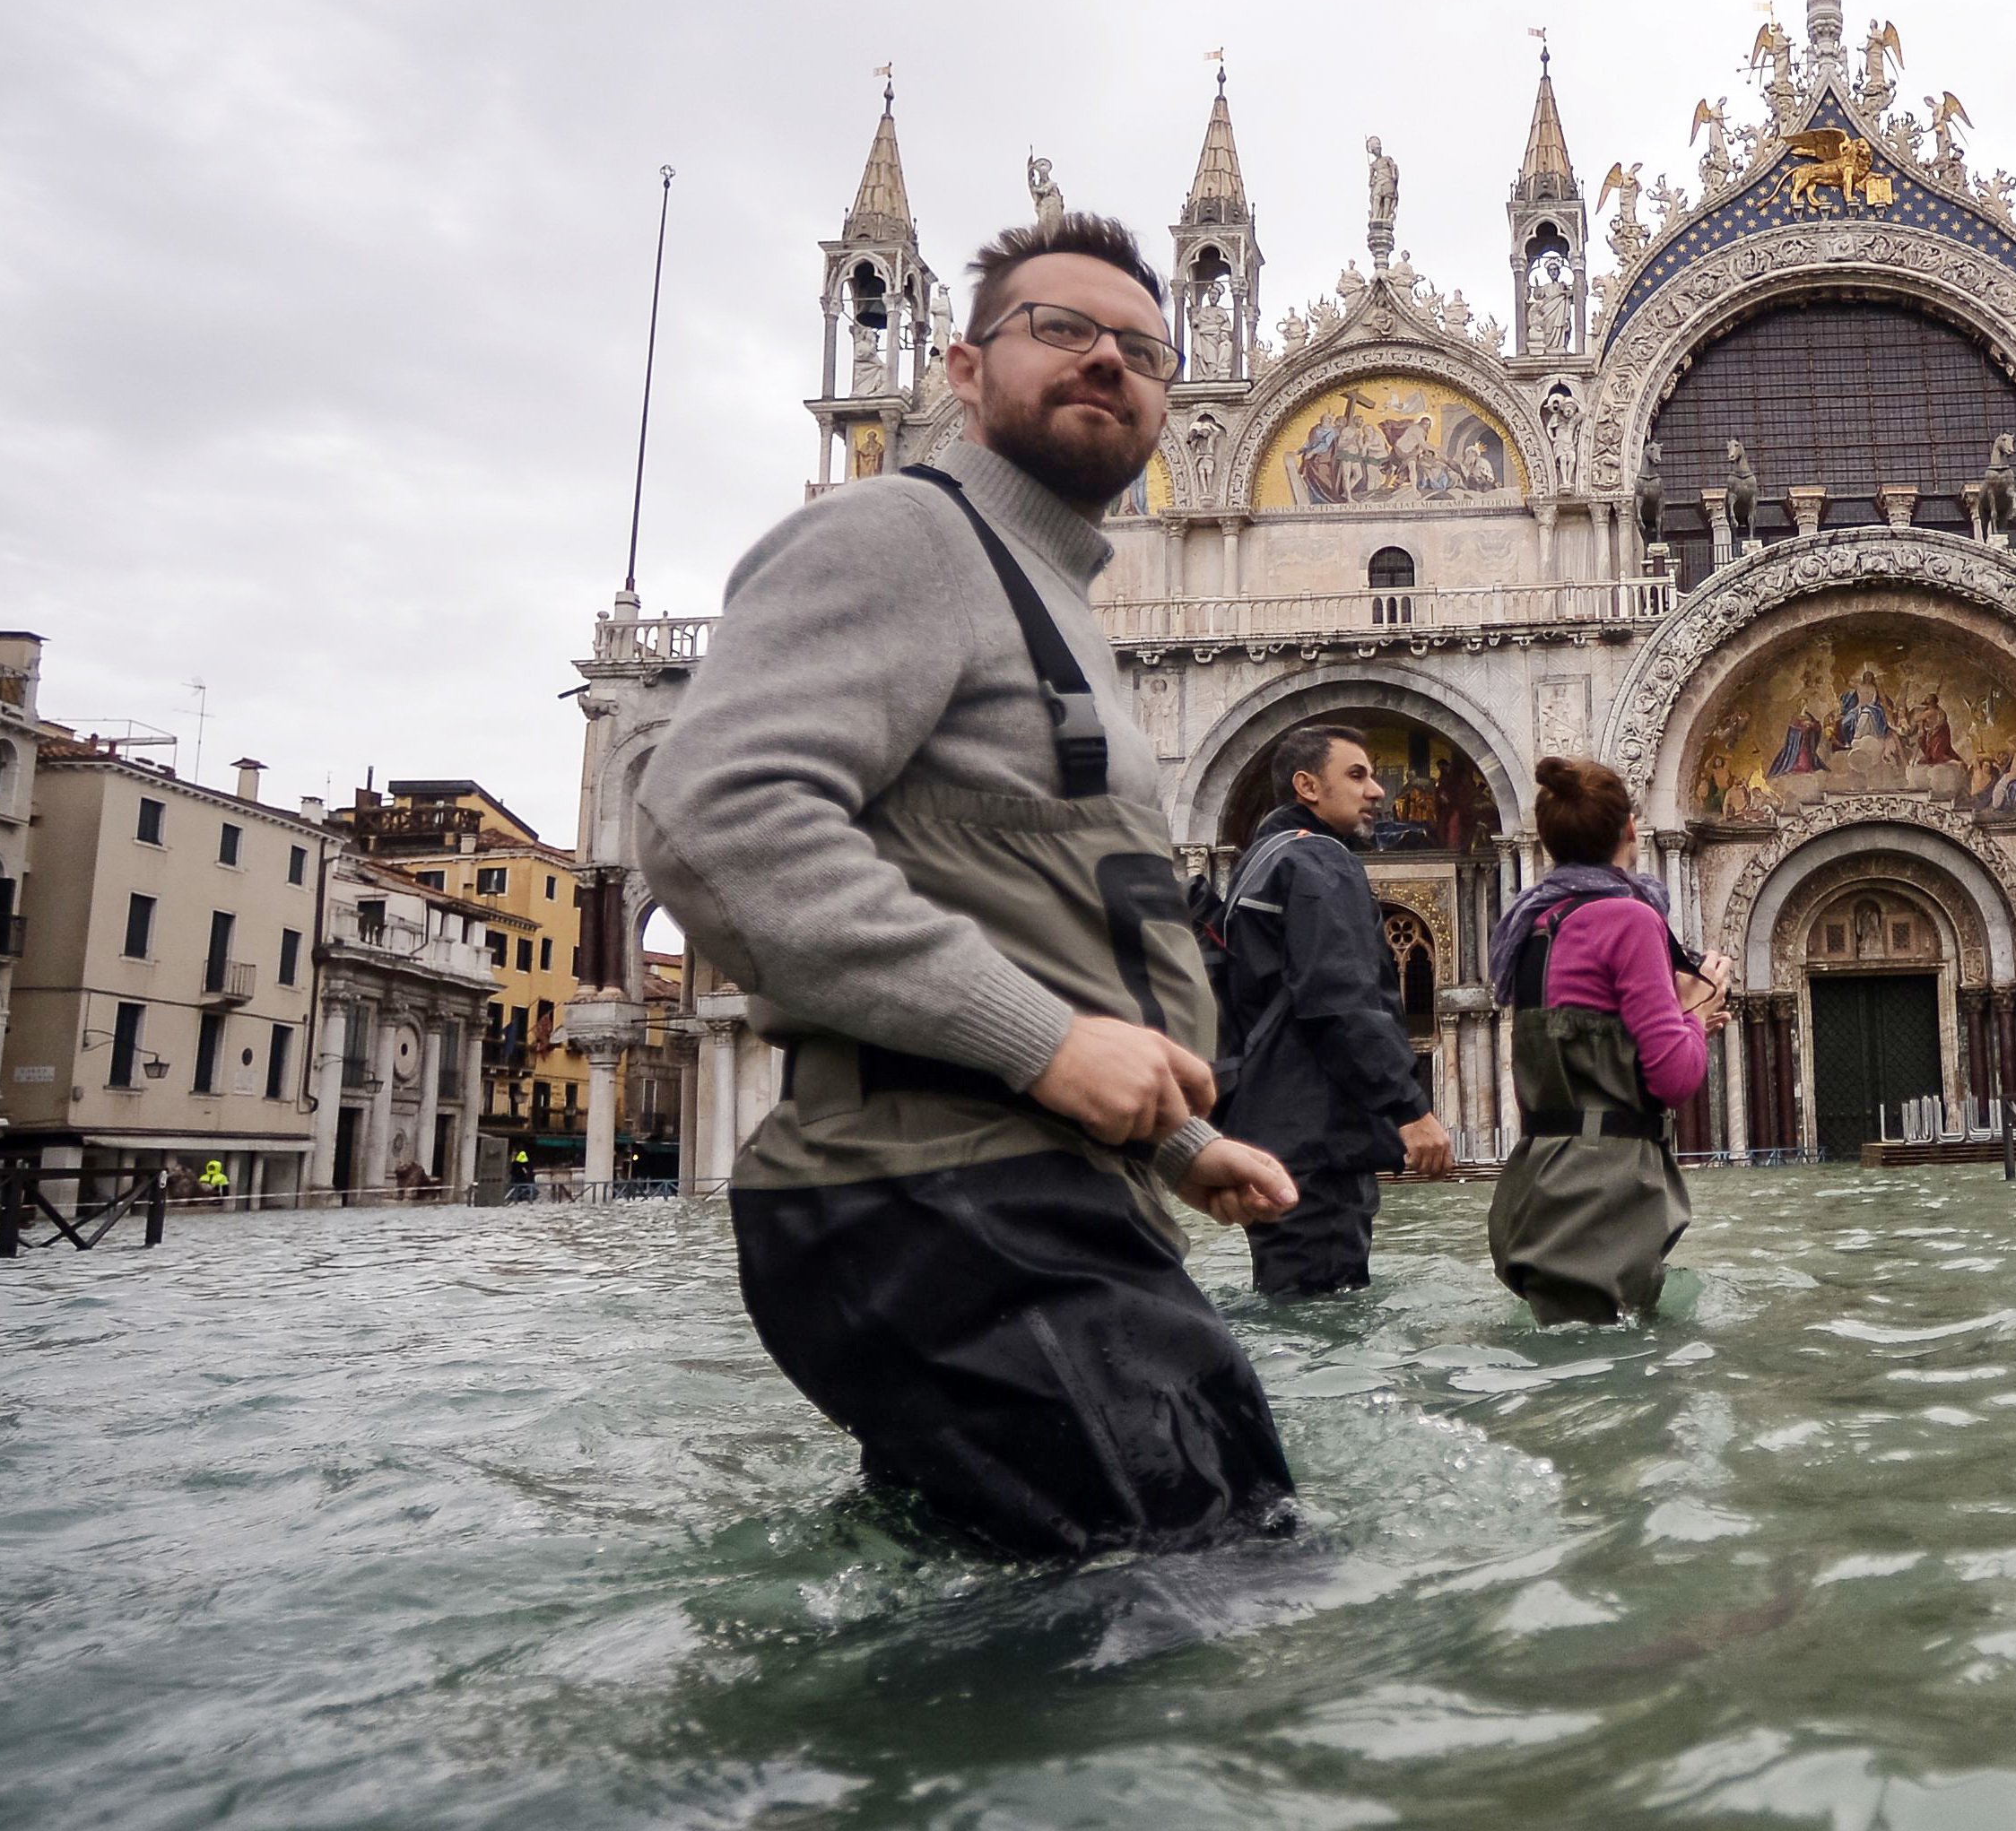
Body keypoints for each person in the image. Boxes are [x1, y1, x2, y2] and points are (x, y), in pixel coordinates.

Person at [639, 208, 1303, 1561]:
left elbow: (1044, 914)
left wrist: (1178, 1144)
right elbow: (714, 817)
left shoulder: (1044, 594)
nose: (1105, 362)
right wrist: (1047, 1044)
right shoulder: (901, 535)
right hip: (948, 1200)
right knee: (1209, 1604)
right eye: (1058, 329)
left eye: (1140, 347)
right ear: (959, 367)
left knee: (1042, 1620)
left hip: (1016, 1196)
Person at [1484, 757, 1728, 1324]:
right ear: (1630, 830)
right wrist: (1701, 1007)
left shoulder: (1533, 924)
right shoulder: (1631, 919)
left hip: (1537, 1186)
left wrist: (1684, 1017)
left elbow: (1578, 1050)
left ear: (1546, 843)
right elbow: (1674, 1080)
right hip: (1607, 1196)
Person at [1218, 725, 1456, 1297]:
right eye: (1357, 775)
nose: (1377, 790)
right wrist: (1410, 1108)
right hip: (1315, 1137)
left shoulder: (1262, 859)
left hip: (1270, 1131)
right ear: (1307, 786)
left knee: (1289, 1304)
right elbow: (1340, 1000)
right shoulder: (1319, 862)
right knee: (1324, 1313)